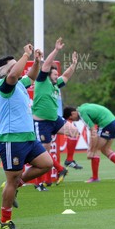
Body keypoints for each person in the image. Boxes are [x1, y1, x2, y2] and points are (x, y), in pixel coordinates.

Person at [0, 44, 53, 229]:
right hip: (12, 139)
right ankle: (4, 221)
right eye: (15, 64)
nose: (20, 67)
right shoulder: (5, 85)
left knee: (46, 164)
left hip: (28, 138)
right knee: (11, 180)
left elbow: (32, 76)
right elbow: (13, 75)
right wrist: (25, 54)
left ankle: (18, 185)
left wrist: (36, 61)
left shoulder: (19, 84)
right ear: (6, 70)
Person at [32, 37, 78, 189]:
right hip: (41, 122)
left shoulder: (56, 84)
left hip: (55, 120)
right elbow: (45, 65)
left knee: (74, 132)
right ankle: (41, 183)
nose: (57, 75)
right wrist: (56, 50)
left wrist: (73, 65)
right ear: (48, 75)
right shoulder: (42, 81)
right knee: (43, 155)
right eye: (54, 73)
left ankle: (68, 160)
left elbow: (66, 76)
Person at [74, 103, 115, 182]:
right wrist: (91, 148)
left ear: (73, 113)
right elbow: (93, 131)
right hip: (114, 122)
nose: (74, 120)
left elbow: (93, 131)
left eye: (71, 118)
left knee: (96, 150)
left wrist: (91, 151)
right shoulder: (83, 107)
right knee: (105, 149)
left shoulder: (81, 113)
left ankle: (95, 178)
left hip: (107, 124)